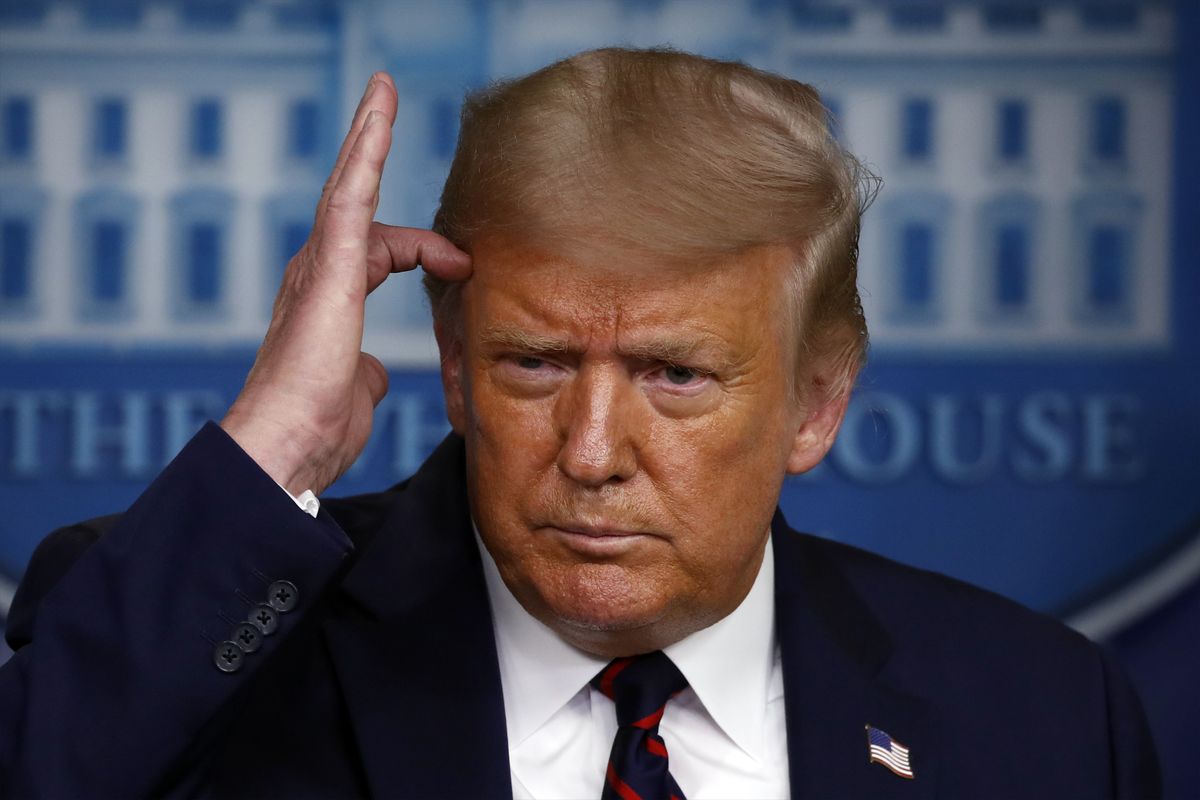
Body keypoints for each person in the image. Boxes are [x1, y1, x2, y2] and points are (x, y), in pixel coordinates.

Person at [0, 49, 1159, 799]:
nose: (593, 452)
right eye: (535, 361)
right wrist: (274, 447)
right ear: (453, 365)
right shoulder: (196, 644)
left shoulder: (1044, 716)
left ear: (817, 401)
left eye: (675, 374)